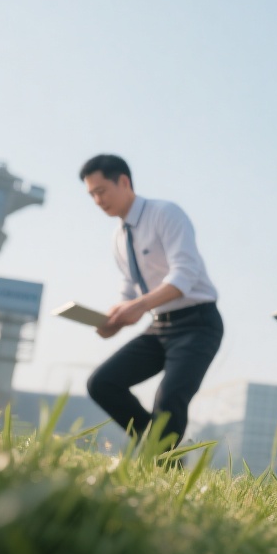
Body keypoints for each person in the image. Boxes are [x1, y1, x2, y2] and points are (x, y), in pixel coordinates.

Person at [81, 154, 223, 448]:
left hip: (198, 324)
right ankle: (157, 451)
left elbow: (185, 273)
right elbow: (129, 287)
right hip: (159, 327)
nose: (97, 200)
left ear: (123, 181)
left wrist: (139, 306)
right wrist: (114, 319)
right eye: (92, 194)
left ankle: (160, 460)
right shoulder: (118, 236)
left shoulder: (165, 213)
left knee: (169, 399)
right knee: (101, 383)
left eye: (101, 191)